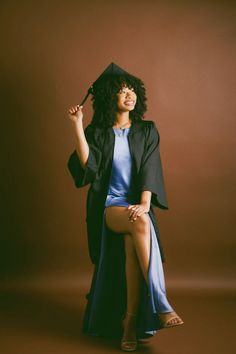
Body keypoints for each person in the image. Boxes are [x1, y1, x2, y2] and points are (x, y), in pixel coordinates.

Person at [67, 63, 184, 352]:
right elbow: (88, 168)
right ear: (109, 97)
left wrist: (145, 204)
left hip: (135, 206)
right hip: (109, 206)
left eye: (132, 90)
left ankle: (129, 324)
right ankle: (161, 303)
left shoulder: (147, 130)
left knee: (134, 245)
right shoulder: (99, 132)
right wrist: (77, 126)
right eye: (122, 91)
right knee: (141, 224)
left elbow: (150, 169)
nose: (129, 95)